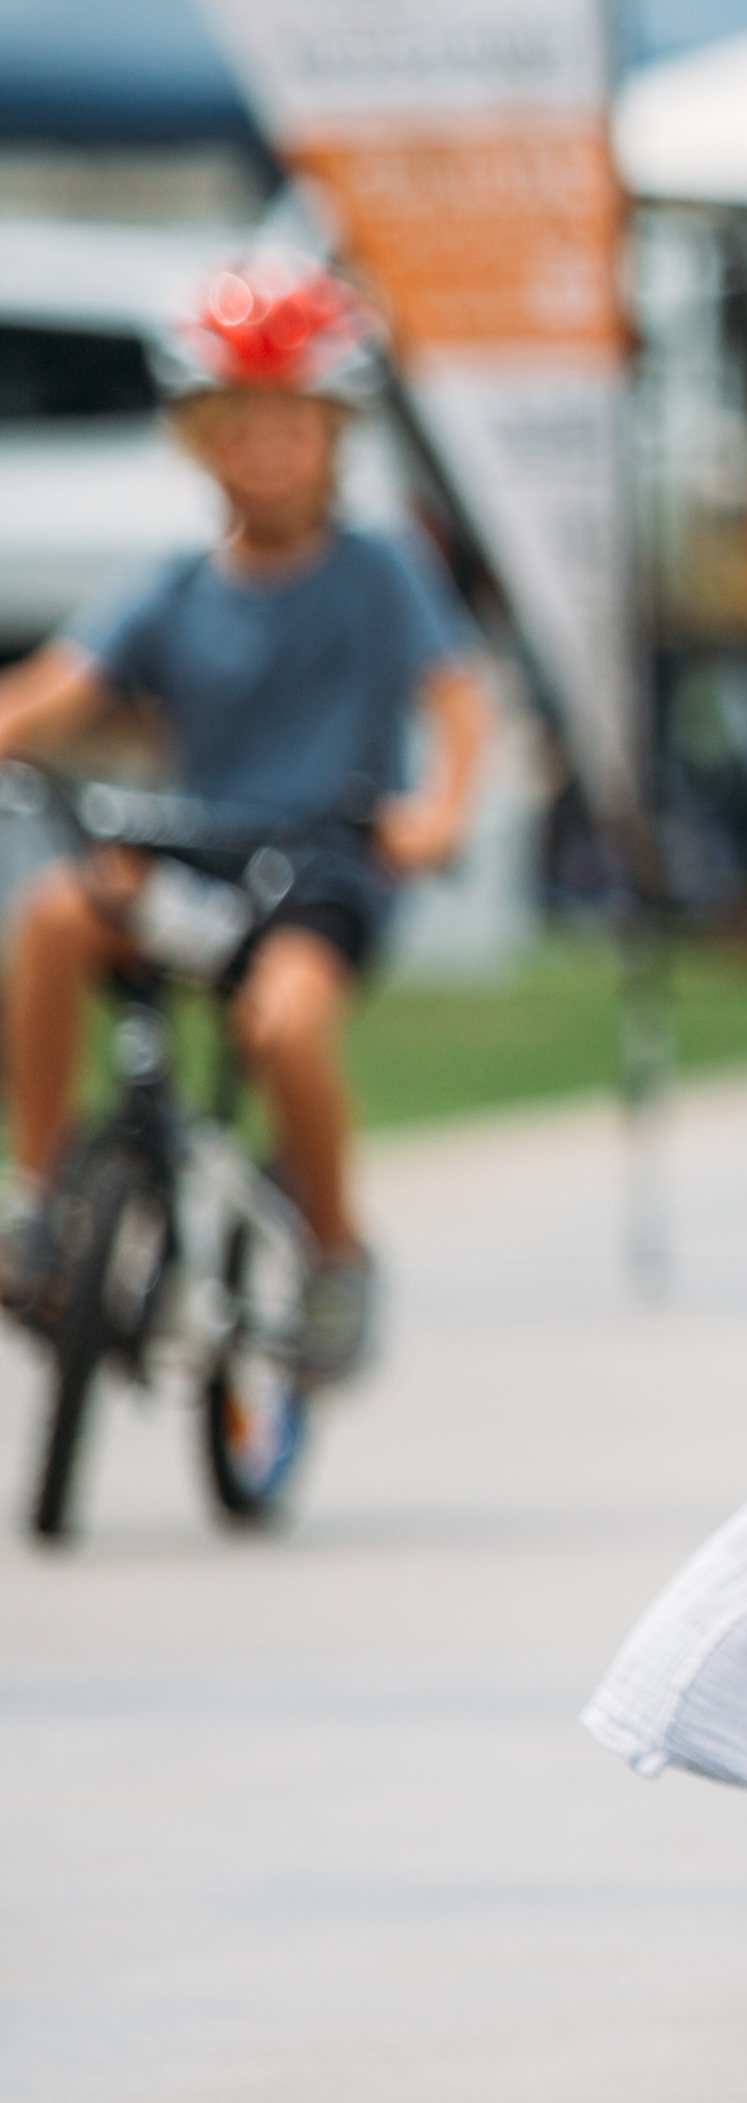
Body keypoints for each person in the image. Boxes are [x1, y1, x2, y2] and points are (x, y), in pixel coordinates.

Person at [0, 263, 491, 1381]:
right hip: (195, 855)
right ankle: (40, 1203)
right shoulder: (176, 583)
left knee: (286, 1027)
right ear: (199, 440)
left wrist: (441, 813)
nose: (263, 455)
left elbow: (460, 702)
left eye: (289, 430)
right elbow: (56, 690)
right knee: (51, 917)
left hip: (324, 866)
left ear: (331, 437)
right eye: (238, 430)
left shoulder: (379, 573)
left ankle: (333, 1254)